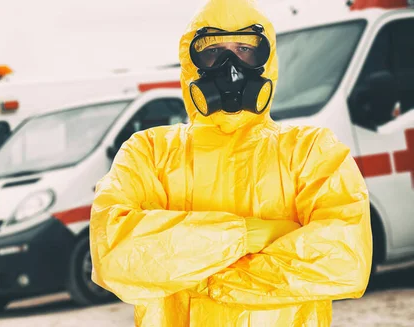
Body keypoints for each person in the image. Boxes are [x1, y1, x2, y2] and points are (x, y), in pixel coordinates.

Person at [89, 0, 373, 326]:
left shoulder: (310, 151)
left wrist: (203, 277)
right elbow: (113, 254)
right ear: (189, 62)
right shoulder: (149, 153)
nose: (230, 65)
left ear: (267, 60)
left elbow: (345, 259)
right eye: (212, 52)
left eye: (244, 48)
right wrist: (247, 236)